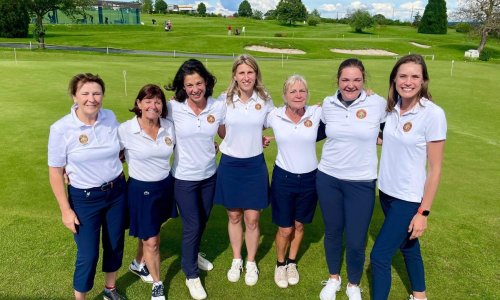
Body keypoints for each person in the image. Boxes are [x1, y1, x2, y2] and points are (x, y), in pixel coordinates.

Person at [370, 54, 447, 300]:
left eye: (415, 76)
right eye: (403, 76)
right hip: (386, 193)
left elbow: (435, 168)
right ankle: (420, 295)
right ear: (394, 79)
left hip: (409, 198)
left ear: (424, 80)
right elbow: (384, 140)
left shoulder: (432, 114)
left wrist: (423, 212)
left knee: (379, 256)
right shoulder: (391, 110)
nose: (408, 81)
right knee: (409, 246)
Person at [48, 73, 127, 300]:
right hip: (84, 198)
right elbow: (55, 171)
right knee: (88, 253)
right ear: (74, 96)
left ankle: (110, 289)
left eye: (96, 93)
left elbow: (120, 148)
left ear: (102, 96)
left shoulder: (109, 117)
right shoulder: (61, 128)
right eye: (85, 93)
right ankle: (80, 297)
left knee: (114, 244)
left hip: (116, 192)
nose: (91, 99)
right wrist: (65, 210)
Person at [317, 58, 387, 300]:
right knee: (333, 232)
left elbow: (394, 132)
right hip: (328, 178)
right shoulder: (327, 104)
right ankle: (334, 279)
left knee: (357, 239)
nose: (350, 85)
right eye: (345, 79)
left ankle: (353, 284)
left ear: (363, 80)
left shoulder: (377, 103)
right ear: (337, 80)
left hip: (361, 182)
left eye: (356, 79)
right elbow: (312, 132)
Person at [165, 59, 225, 300]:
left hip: (210, 175)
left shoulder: (218, 106)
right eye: (189, 85)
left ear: (206, 82)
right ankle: (190, 274)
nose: (195, 89)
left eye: (198, 83)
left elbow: (230, 131)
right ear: (183, 86)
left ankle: (194, 254)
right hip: (184, 179)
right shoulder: (173, 107)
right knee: (192, 225)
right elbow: (148, 121)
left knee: (204, 219)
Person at [215, 54, 274, 286]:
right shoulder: (224, 100)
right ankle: (236, 259)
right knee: (234, 215)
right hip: (230, 164)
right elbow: (220, 129)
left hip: (254, 165)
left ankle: (250, 262)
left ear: (256, 74)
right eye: (242, 72)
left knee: (252, 218)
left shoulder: (265, 99)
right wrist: (236, 138)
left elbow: (278, 120)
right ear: (235, 76)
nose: (246, 77)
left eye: (250, 72)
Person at [119, 84, 177, 300]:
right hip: (140, 190)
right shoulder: (125, 129)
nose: (153, 105)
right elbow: (107, 153)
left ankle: (137, 263)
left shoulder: (169, 126)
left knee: (150, 230)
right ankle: (157, 284)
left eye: (158, 101)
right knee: (151, 240)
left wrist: (214, 147)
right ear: (138, 104)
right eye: (148, 101)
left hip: (164, 187)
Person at [265, 75, 322, 288]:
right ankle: (280, 264)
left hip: (310, 179)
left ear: (307, 94)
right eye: (293, 91)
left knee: (299, 225)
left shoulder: (317, 113)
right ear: (285, 95)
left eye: (302, 91)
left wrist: (367, 95)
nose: (298, 95)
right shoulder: (274, 115)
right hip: (284, 178)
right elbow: (248, 125)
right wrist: (260, 139)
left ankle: (291, 262)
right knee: (285, 229)